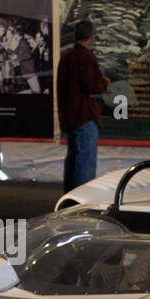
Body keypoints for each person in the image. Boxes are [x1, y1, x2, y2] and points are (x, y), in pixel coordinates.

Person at [57, 19, 109, 192]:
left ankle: (68, 200)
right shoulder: (87, 57)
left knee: (72, 160)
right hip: (85, 117)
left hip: (69, 118)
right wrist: (104, 82)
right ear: (91, 38)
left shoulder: (65, 58)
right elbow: (93, 86)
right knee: (85, 163)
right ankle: (82, 203)